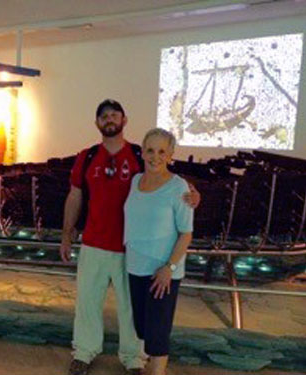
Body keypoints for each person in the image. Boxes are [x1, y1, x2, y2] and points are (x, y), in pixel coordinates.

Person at [60, 99, 200, 375]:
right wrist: (67, 233)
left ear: (124, 120)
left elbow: (168, 179)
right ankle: (84, 351)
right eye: (103, 116)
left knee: (131, 308)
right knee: (87, 303)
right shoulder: (86, 157)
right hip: (93, 243)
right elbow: (75, 195)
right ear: (97, 123)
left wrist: (194, 194)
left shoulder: (139, 155)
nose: (109, 119)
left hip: (130, 250)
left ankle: (134, 357)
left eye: (115, 114)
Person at [124, 129, 193, 375]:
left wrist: (169, 268)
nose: (155, 156)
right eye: (150, 150)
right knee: (143, 327)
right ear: (142, 152)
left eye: (162, 151)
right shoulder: (135, 181)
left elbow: (186, 232)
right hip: (135, 266)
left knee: (158, 330)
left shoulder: (179, 187)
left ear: (171, 154)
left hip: (162, 270)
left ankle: (157, 372)